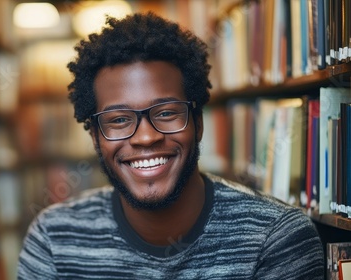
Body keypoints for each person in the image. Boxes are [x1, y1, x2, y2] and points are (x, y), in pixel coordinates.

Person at [17, 12, 324, 279]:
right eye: (119, 120)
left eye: (165, 113)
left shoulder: (275, 239)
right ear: (95, 136)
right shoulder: (54, 239)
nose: (146, 137)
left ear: (198, 122)